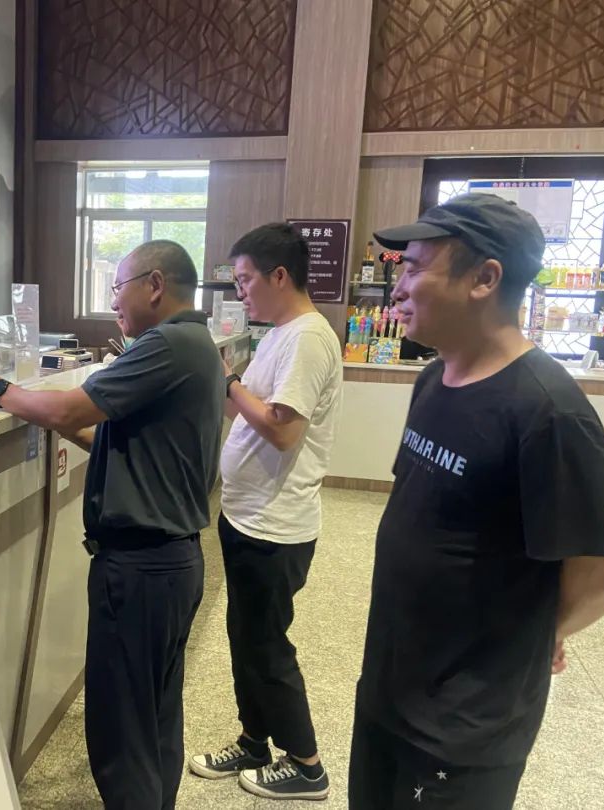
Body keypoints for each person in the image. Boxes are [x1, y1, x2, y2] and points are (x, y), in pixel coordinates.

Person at [350, 193, 604, 808]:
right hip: (389, 690)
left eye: (415, 267)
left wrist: (537, 633)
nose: (399, 287)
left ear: (485, 278)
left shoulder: (548, 412)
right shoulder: (434, 378)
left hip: (462, 731)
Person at [0, 240, 224, 809]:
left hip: (140, 568)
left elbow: (70, 407)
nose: (113, 301)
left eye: (118, 287)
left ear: (155, 285)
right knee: (154, 718)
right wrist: (48, 418)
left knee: (123, 734)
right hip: (170, 562)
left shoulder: (166, 344)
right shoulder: (196, 344)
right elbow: (103, 434)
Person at [188, 223, 341, 801]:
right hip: (248, 515)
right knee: (246, 639)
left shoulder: (309, 338)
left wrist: (227, 380)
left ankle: (306, 764)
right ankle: (254, 741)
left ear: (280, 276)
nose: (240, 291)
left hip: (277, 527)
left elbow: (281, 430)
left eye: (246, 279)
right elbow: (253, 412)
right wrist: (227, 388)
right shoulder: (280, 334)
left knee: (267, 647)